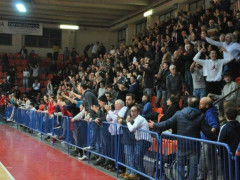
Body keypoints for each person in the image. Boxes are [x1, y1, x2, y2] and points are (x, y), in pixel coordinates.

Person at [148, 97, 216, 180]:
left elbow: (167, 124)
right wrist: (218, 137)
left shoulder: (179, 113)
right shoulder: (201, 116)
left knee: (180, 165)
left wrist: (154, 125)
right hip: (194, 146)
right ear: (198, 105)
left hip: (181, 144)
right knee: (193, 167)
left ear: (188, 104)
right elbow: (208, 132)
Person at [125, 105, 151, 179]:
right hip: (140, 141)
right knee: (137, 159)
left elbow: (131, 129)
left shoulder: (139, 119)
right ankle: (142, 176)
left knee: (137, 159)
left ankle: (144, 177)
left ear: (138, 112)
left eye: (134, 111)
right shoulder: (136, 119)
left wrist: (127, 122)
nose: (132, 113)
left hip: (144, 141)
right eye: (131, 111)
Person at [218, 107, 240, 179]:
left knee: (227, 174)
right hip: (237, 153)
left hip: (226, 155)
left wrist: (220, 154)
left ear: (225, 116)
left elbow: (220, 142)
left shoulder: (224, 127)